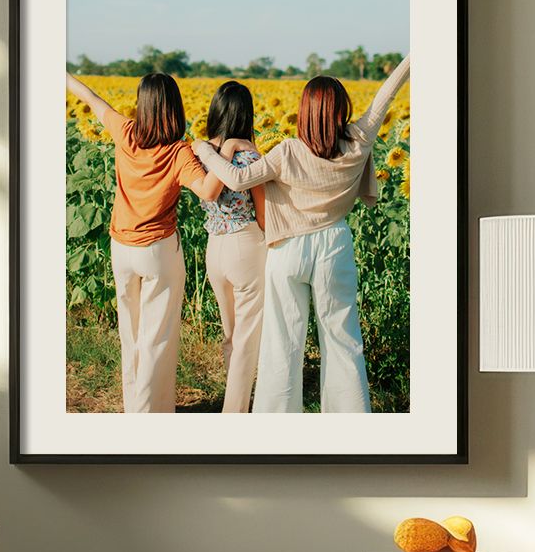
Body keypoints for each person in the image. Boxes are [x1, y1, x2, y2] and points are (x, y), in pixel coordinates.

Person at [192, 57, 410, 413]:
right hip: (334, 245)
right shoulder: (358, 141)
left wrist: (204, 149)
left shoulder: (288, 151)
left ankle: (277, 430)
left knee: (283, 342)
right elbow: (387, 93)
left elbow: (236, 180)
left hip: (288, 248)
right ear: (343, 110)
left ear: (303, 112)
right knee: (342, 338)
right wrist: (415, 55)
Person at [67, 72, 224, 413]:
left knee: (131, 334)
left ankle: (133, 409)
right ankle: (150, 415)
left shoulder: (125, 133)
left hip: (121, 248)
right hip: (157, 251)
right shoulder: (178, 153)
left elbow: (92, 99)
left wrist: (59, 73)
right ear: (175, 107)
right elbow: (209, 192)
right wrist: (215, 153)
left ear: (142, 105)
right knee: (157, 338)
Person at [197, 82, 268, 413]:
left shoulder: (201, 153)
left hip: (215, 248)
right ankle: (235, 414)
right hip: (246, 246)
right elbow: (265, 214)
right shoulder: (250, 155)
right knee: (247, 339)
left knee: (231, 333)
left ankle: (234, 400)